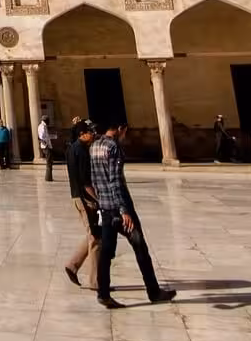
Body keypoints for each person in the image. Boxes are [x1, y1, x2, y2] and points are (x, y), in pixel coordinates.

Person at [90, 120, 174, 309]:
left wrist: (102, 203)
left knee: (106, 252)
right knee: (140, 248)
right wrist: (124, 210)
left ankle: (103, 293)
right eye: (125, 131)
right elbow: (115, 181)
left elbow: (95, 179)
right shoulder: (113, 148)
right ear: (120, 128)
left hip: (104, 207)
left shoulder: (94, 146)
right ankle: (154, 291)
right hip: (119, 209)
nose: (125, 135)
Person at [61, 120, 100, 286]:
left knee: (93, 234)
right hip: (84, 198)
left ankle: (72, 265)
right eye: (90, 132)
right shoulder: (82, 151)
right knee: (95, 239)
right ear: (82, 134)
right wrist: (98, 199)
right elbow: (86, 181)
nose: (93, 135)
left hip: (76, 196)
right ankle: (96, 282)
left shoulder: (71, 148)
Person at [37, 115, 55, 181]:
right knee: (49, 162)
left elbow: (46, 136)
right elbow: (41, 137)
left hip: (47, 145)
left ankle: (49, 177)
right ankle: (48, 177)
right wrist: (46, 144)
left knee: (50, 162)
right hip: (46, 146)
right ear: (46, 120)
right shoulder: (42, 126)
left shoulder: (43, 126)